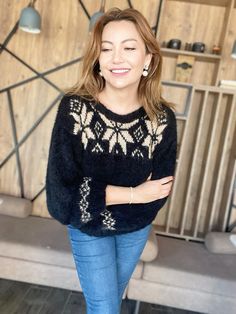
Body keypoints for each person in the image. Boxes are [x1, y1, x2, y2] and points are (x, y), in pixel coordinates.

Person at [45, 7, 177, 314]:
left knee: (107, 306)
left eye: (129, 48)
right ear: (98, 60)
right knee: (105, 309)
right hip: (87, 227)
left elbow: (158, 191)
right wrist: (132, 194)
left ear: (148, 59)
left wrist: (96, 194)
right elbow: (59, 196)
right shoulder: (75, 110)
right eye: (107, 48)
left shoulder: (161, 120)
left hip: (135, 229)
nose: (117, 58)